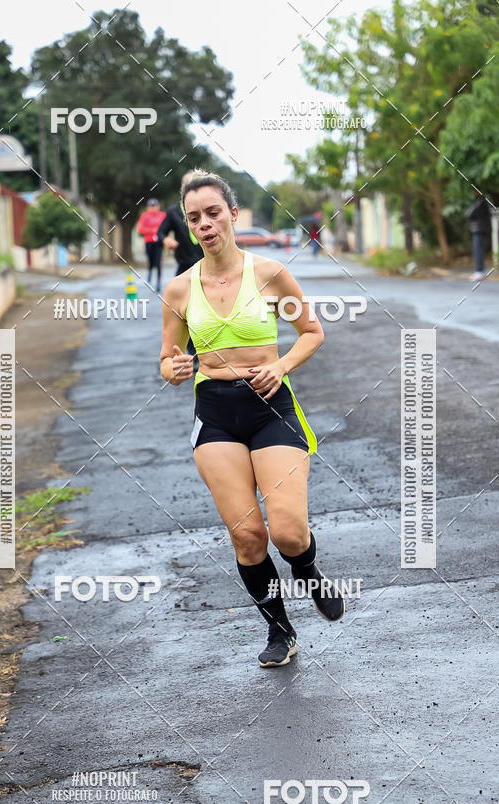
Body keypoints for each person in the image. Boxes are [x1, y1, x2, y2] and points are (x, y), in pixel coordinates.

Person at [159, 170, 344, 668]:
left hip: (271, 408)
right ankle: (279, 630)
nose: (205, 224)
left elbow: (310, 331)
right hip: (215, 413)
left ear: (233, 214)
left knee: (286, 532)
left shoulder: (268, 275)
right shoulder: (178, 291)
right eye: (194, 217)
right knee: (246, 536)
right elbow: (168, 359)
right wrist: (174, 368)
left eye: (213, 212)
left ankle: (306, 567)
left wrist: (280, 365)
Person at [158, 172, 205, 368]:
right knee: (189, 312)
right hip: (186, 266)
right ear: (182, 191)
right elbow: (160, 231)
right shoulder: (174, 212)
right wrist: (166, 239)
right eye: (189, 187)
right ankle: (194, 354)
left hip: (208, 266)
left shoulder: (210, 210)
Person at [136, 198, 166, 292]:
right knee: (151, 260)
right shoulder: (144, 216)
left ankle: (158, 283)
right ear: (148, 207)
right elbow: (140, 229)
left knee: (158, 262)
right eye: (151, 206)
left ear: (158, 206)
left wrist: (158, 232)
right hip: (148, 241)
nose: (153, 208)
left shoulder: (163, 215)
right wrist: (152, 230)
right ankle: (149, 272)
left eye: (154, 206)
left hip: (159, 242)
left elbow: (165, 227)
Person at [465, 191, 491, 282]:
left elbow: (469, 213)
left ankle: (479, 272)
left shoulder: (480, 201)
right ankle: (479, 271)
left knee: (478, 250)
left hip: (479, 230)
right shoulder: (479, 201)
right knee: (477, 250)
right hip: (478, 230)